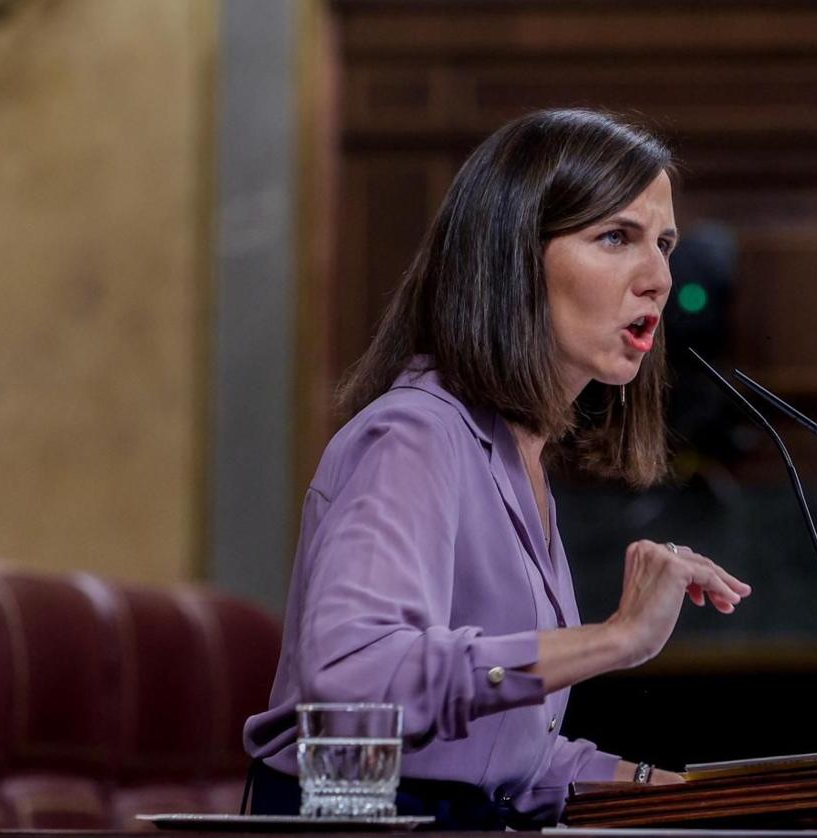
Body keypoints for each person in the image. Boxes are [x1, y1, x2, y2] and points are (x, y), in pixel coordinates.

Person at [242, 108, 751, 828]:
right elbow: (353, 682)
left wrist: (728, 802)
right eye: (616, 237)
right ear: (511, 256)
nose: (660, 279)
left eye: (663, 243)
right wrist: (613, 639)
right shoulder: (415, 435)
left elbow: (507, 766)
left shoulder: (517, 457)